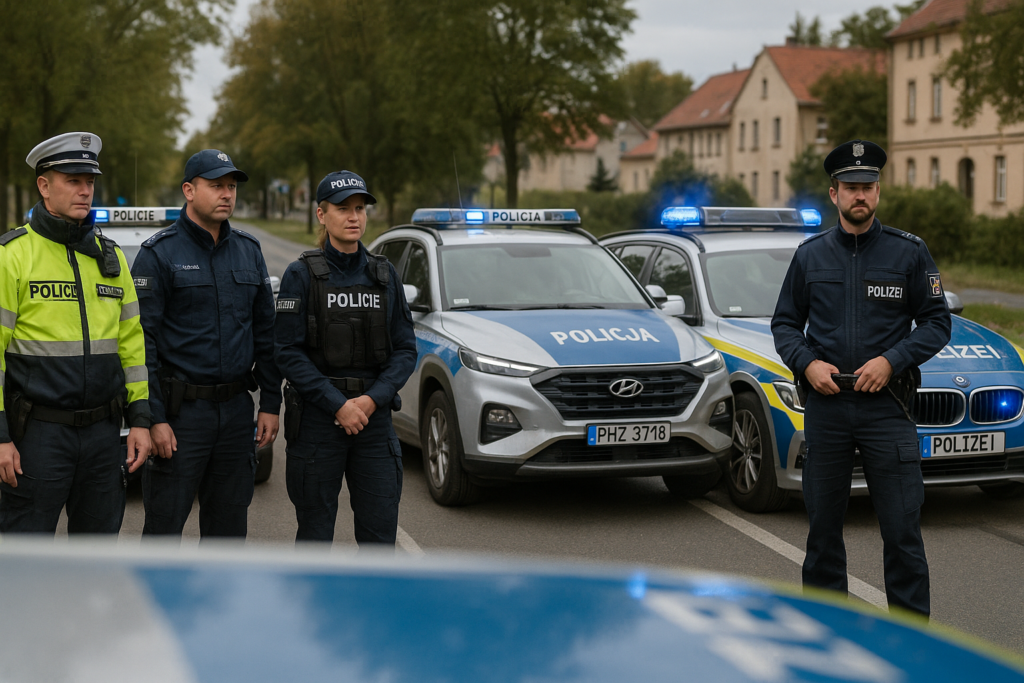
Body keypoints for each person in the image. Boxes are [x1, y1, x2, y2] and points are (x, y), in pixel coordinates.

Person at [771, 140, 952, 618]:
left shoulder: (908, 252)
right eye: (851, 187)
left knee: (903, 533)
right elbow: (785, 324)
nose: (860, 195)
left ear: (878, 191)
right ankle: (829, 636)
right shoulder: (810, 256)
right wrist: (807, 364)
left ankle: (909, 643)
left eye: (868, 187)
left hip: (887, 409)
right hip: (828, 409)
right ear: (834, 193)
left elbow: (936, 323)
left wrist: (892, 360)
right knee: (823, 536)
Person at [0, 132, 151, 534]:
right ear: (44, 186)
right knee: (26, 555)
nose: (85, 191)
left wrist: (140, 418)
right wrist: (0, 437)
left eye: (90, 182)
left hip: (103, 436)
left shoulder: (111, 257)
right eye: (73, 181)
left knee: (96, 556)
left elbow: (132, 346)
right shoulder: (11, 256)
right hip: (38, 435)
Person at [131, 149, 281, 540]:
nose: (227, 194)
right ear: (189, 190)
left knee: (228, 535)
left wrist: (270, 402)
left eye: (231, 186)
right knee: (163, 530)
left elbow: (266, 334)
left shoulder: (249, 250)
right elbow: (141, 344)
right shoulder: (158, 254)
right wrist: (154, 418)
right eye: (216, 186)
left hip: (235, 414)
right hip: (181, 415)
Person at [274, 170, 416, 545]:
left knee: (379, 538)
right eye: (343, 209)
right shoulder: (301, 275)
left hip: (373, 420)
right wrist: (337, 405)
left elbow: (405, 349)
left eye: (360, 208)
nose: (354, 217)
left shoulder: (385, 275)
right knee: (315, 535)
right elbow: (287, 351)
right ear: (321, 215)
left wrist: (371, 400)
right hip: (319, 422)